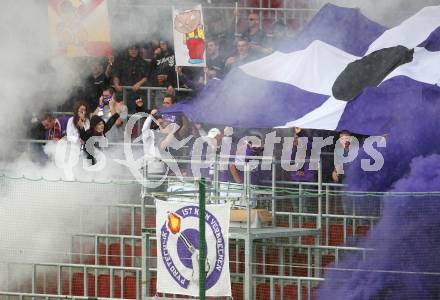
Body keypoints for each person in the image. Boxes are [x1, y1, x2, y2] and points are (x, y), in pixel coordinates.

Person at [79, 98, 123, 165]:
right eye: (99, 124)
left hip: (100, 157)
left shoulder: (103, 130)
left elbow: (111, 121)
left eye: (102, 123)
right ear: (94, 126)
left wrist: (118, 112)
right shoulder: (90, 133)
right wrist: (81, 126)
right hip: (88, 159)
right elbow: (83, 137)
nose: (102, 126)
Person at [113, 44, 150, 113]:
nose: (133, 51)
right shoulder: (122, 62)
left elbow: (146, 77)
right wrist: (116, 84)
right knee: (121, 114)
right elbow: (116, 75)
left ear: (138, 50)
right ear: (128, 50)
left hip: (137, 94)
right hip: (123, 94)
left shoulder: (143, 62)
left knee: (134, 115)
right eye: (131, 49)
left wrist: (138, 84)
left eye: (135, 49)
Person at [150, 40, 176, 108]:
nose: (162, 46)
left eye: (164, 44)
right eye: (161, 44)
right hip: (159, 87)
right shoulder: (158, 56)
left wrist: (168, 77)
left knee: (170, 111)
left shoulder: (174, 55)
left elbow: (175, 70)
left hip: (171, 87)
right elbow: (151, 68)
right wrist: (155, 55)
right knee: (159, 111)